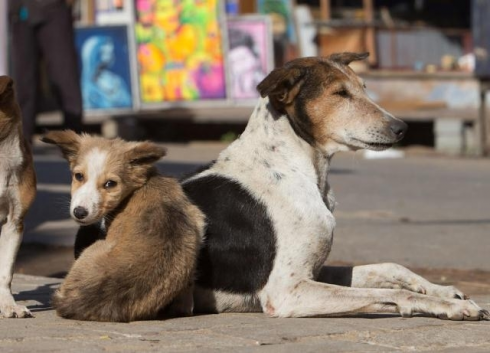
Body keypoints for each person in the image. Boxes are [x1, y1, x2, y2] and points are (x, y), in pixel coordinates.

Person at [8, 0, 83, 142]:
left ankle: (76, 143)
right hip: (20, 11)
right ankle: (22, 145)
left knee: (64, 77)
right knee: (24, 84)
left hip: (53, 9)